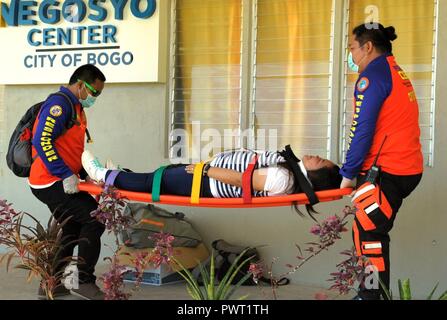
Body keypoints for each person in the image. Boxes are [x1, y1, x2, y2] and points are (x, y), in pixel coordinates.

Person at [340, 24, 423, 300]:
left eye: (352, 48)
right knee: (364, 229)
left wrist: (348, 173)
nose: (350, 55)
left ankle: (371, 296)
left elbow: (361, 130)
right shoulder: (394, 70)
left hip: (387, 171)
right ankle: (370, 293)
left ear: (367, 47)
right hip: (403, 167)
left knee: (370, 235)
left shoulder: (372, 77)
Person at [29, 64, 107, 300]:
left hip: (62, 178)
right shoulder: (59, 104)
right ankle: (83, 281)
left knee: (73, 227)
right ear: (81, 85)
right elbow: (42, 140)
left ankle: (50, 283)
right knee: (94, 219)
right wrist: (64, 173)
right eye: (94, 93)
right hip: (49, 180)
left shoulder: (75, 107)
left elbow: (70, 148)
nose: (95, 98)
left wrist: (87, 173)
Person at [81, 148, 342, 216]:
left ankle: (104, 176)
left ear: (315, 176)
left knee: (156, 181)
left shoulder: (282, 177)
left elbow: (244, 181)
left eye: (320, 161)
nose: (315, 156)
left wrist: (205, 171)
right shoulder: (288, 171)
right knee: (158, 178)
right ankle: (117, 175)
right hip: (208, 179)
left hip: (208, 183)